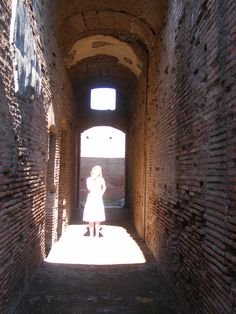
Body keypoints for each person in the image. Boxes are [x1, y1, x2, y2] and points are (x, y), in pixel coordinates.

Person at [83, 165, 106, 237]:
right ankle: (91, 235)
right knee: (91, 217)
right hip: (91, 198)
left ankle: (96, 235)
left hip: (98, 199)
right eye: (97, 171)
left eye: (99, 171)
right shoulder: (89, 179)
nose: (98, 172)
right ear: (93, 171)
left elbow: (104, 187)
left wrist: (101, 193)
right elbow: (89, 188)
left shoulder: (101, 179)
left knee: (98, 218)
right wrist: (94, 179)